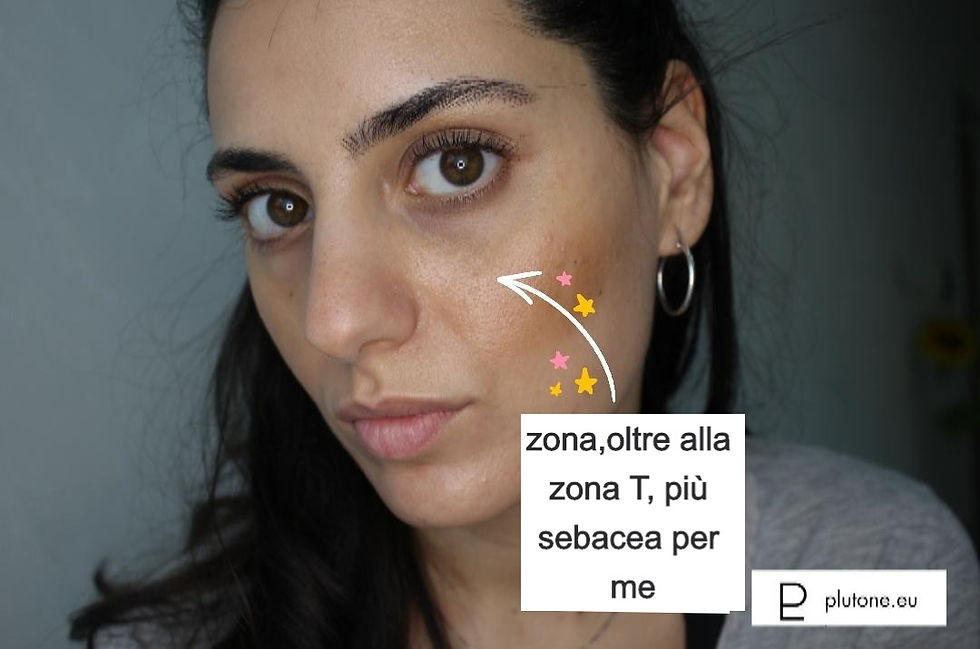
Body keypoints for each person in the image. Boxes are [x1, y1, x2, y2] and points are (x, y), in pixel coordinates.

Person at [69, 1, 980, 647]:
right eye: (277, 205)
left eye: (457, 164)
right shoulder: (190, 634)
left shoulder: (866, 579)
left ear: (673, 172)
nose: (333, 317)